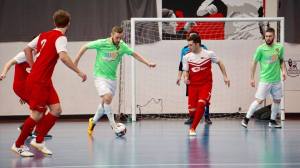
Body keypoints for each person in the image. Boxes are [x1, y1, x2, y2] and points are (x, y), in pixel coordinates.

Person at [11, 9, 87, 157]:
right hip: (39, 80)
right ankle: (18, 144)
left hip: (44, 80)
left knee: (56, 110)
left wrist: (33, 66)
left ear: (54, 22)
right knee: (37, 115)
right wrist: (78, 71)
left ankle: (38, 141)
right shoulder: (61, 37)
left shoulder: (42, 35)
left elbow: (27, 49)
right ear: (68, 24)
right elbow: (63, 57)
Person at [74, 26, 156, 136]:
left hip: (112, 79)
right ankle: (114, 126)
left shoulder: (122, 46)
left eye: (120, 38)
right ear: (112, 35)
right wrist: (76, 62)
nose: (118, 40)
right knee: (107, 98)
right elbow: (85, 46)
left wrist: (147, 63)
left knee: (105, 103)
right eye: (117, 37)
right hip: (100, 77)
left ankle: (92, 122)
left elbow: (134, 54)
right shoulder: (102, 43)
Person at [182, 33, 229, 136]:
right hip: (193, 86)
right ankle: (195, 117)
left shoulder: (209, 54)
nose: (188, 47)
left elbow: (220, 63)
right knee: (192, 111)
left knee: (202, 103)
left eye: (190, 45)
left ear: (197, 44)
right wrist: (185, 78)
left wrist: (225, 76)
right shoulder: (186, 57)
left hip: (206, 84)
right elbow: (185, 71)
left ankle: (193, 128)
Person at [241, 27, 286, 128]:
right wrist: (252, 78)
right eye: (266, 36)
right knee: (259, 100)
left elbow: (281, 60)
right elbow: (254, 63)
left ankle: (272, 121)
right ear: (264, 37)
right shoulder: (260, 49)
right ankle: (246, 119)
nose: (268, 38)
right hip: (265, 80)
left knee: (277, 100)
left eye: (270, 36)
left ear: (274, 36)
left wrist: (283, 71)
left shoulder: (280, 47)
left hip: (277, 80)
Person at [0, 51, 52, 138]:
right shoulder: (24, 55)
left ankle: (26, 128)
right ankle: (36, 132)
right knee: (40, 108)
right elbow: (9, 63)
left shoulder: (38, 56)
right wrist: (3, 73)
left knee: (40, 108)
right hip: (21, 87)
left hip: (28, 87)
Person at [176, 32, 212, 125]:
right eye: (190, 36)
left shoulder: (204, 48)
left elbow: (207, 60)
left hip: (203, 79)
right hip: (191, 79)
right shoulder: (184, 50)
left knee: (204, 99)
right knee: (192, 99)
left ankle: (207, 116)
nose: (191, 37)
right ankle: (192, 117)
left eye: (193, 36)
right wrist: (180, 77)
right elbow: (182, 64)